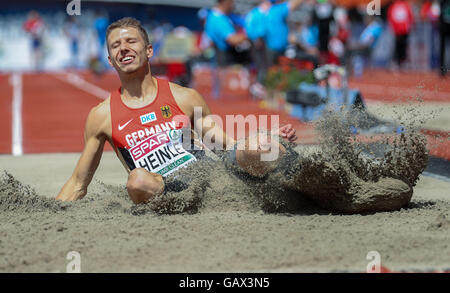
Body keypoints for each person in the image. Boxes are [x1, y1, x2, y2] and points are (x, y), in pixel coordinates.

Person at [56, 17, 297, 204]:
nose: (124, 49)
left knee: (263, 146)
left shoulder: (185, 97)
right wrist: (52, 215)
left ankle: (303, 182)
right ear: (110, 60)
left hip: (207, 180)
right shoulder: (102, 116)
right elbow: (79, 182)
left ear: (149, 51)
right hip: (160, 192)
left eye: (131, 42)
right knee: (137, 180)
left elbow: (220, 144)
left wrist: (259, 141)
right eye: (116, 46)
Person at [205, 0, 251, 66]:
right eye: (231, 2)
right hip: (225, 60)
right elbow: (232, 40)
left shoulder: (214, 16)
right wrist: (250, 36)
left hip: (222, 58)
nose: (233, 5)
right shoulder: (218, 19)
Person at [265, 0, 305, 66]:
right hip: (279, 50)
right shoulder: (277, 9)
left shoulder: (268, 11)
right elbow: (293, 4)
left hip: (272, 49)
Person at [387, 0, 414, 70]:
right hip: (401, 30)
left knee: (401, 46)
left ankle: (400, 62)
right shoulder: (402, 6)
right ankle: (399, 62)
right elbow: (391, 17)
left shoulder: (401, 5)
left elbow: (391, 17)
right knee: (400, 46)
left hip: (402, 30)